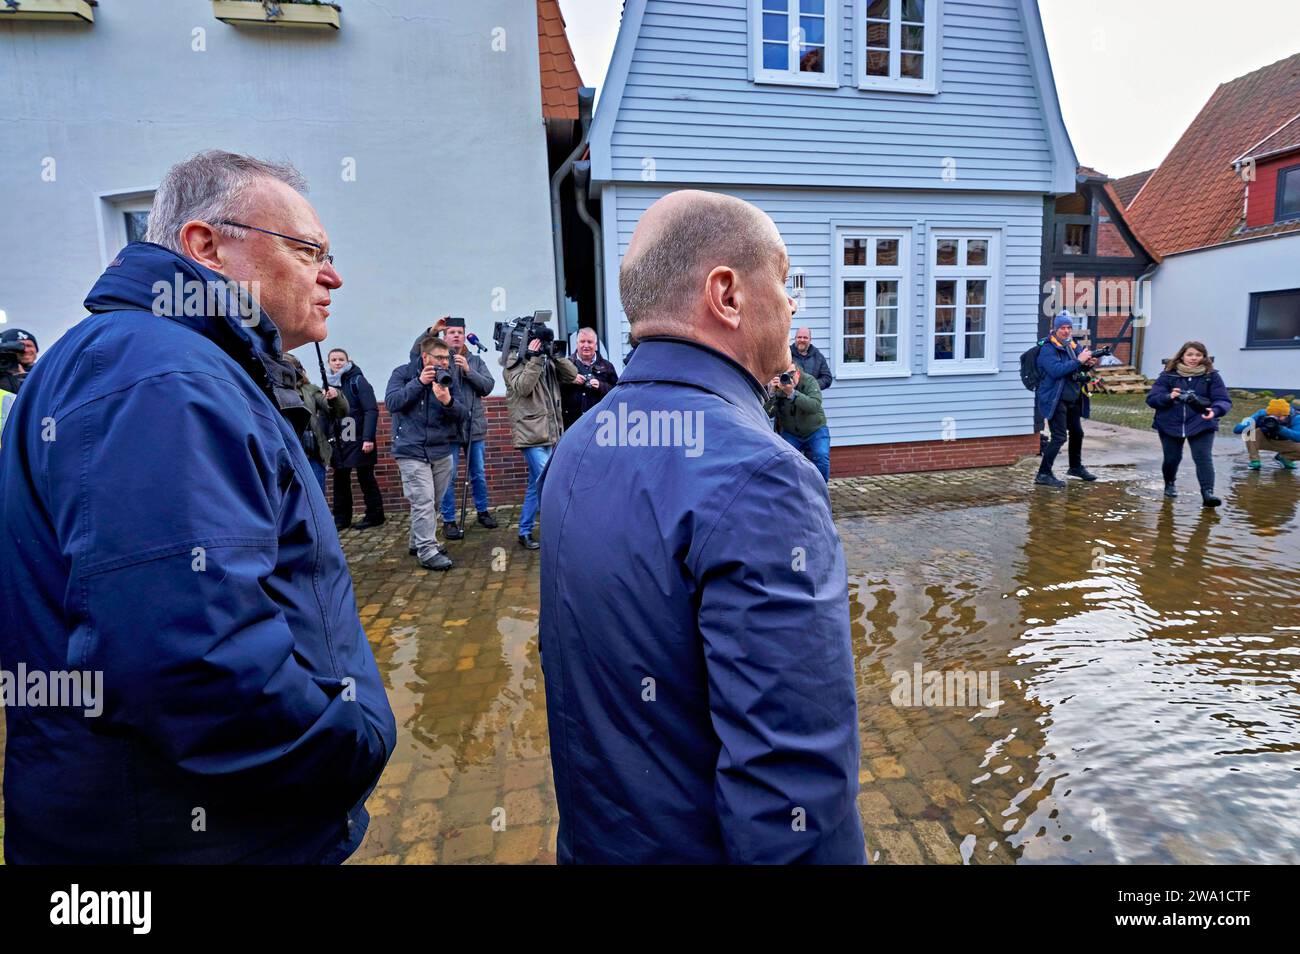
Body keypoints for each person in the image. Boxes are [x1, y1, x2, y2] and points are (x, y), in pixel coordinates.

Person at [0, 150, 395, 863]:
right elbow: (188, 659)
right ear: (205, 245)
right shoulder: (161, 375)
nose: (331, 274)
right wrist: (350, 744)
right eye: (309, 250)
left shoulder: (169, 361)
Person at [538, 189, 864, 864]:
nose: (794, 300)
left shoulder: (579, 443)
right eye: (783, 276)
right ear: (727, 294)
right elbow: (791, 787)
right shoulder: (762, 477)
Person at [386, 333, 466, 571]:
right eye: (439, 357)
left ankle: (417, 541)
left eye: (447, 358)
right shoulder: (402, 373)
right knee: (423, 501)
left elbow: (463, 414)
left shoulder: (449, 379)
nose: (444, 362)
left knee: (434, 503)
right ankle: (427, 551)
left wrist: (448, 401)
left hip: (441, 450)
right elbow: (392, 403)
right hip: (410, 449)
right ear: (425, 356)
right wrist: (419, 383)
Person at [502, 321, 577, 550]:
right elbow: (523, 387)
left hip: (551, 433)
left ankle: (524, 530)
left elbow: (572, 375)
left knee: (536, 484)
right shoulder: (513, 361)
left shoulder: (547, 361)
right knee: (549, 482)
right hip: (531, 435)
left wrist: (556, 356)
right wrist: (534, 359)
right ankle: (558, 532)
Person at [1145, 340, 1232, 506]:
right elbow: (1151, 399)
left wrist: (1215, 410)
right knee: (1171, 458)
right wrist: (1169, 396)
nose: (1194, 358)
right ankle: (1169, 484)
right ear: (1182, 356)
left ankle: (1208, 493)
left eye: (1198, 355)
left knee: (1203, 458)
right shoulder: (1168, 375)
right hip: (1170, 423)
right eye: (1190, 354)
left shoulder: (1211, 376)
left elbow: (1223, 400)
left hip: (1202, 422)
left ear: (1204, 357)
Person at [436, 318, 498, 539]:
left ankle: (483, 511)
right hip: (449, 429)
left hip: (474, 427)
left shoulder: (475, 360)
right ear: (445, 337)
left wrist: (468, 370)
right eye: (451, 332)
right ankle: (449, 519)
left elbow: (487, 387)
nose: (456, 336)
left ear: (465, 336)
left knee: (478, 473)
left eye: (459, 332)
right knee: (449, 476)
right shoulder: (440, 360)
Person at [1034, 312, 1098, 488]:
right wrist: (1079, 360)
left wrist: (1088, 363)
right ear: (1055, 329)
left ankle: (1075, 467)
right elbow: (1056, 371)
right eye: (1063, 327)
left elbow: (1078, 365)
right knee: (1059, 437)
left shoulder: (1072, 344)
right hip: (1055, 398)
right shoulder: (1048, 348)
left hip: (1073, 397)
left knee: (1077, 433)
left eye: (1069, 327)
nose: (1066, 331)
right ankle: (1043, 473)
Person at [326, 347, 386, 530]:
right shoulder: (326, 383)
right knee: (340, 479)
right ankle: (342, 518)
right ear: (328, 363)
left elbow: (370, 410)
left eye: (340, 359)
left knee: (365, 477)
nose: (337, 363)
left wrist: (368, 438)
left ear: (347, 361)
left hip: (358, 436)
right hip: (339, 438)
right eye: (334, 360)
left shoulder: (358, 381)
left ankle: (375, 515)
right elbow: (325, 415)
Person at [284, 352, 349, 498]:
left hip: (311, 453)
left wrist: (335, 397)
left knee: (315, 498)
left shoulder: (310, 390)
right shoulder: (270, 390)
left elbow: (339, 412)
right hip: (285, 453)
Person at [766, 358, 831, 481]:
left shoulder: (809, 381)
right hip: (791, 433)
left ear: (798, 373)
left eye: (791, 374)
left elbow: (814, 405)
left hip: (815, 429)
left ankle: (821, 489)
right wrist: (772, 394)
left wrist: (792, 393)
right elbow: (767, 414)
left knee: (821, 456)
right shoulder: (779, 386)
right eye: (783, 375)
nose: (788, 378)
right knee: (785, 460)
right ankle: (794, 491)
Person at [560, 326, 618, 429]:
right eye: (582, 341)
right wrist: (570, 379)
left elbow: (617, 392)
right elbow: (555, 391)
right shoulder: (565, 365)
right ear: (577, 344)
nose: (586, 345)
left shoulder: (607, 366)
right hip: (572, 425)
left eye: (589, 342)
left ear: (595, 345)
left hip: (600, 424)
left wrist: (601, 385)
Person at [1233, 398, 1300, 471]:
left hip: (1286, 443)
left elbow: (1298, 437)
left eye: (1280, 416)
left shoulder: (1296, 418)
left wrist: (1280, 429)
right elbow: (1237, 430)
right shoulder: (1261, 414)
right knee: (1251, 432)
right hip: (1265, 440)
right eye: (1273, 416)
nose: (1276, 419)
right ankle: (1255, 461)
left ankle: (1285, 458)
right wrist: (1254, 422)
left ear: (1287, 415)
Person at [790, 326, 832, 391]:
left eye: (805, 337)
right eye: (799, 337)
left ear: (810, 340)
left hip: (811, 397)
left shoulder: (818, 356)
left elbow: (827, 378)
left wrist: (812, 385)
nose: (802, 340)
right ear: (795, 338)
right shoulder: (787, 355)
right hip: (790, 398)